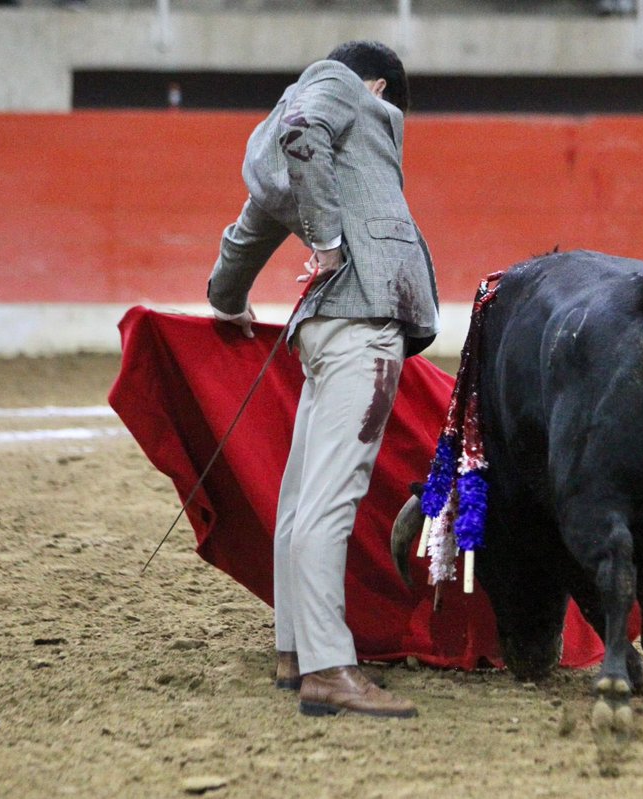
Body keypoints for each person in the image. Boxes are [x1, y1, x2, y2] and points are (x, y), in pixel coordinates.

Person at [207, 40, 439, 719]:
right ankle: (328, 668)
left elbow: (247, 235)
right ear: (378, 86)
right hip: (363, 317)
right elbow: (304, 128)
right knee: (330, 498)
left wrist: (225, 298)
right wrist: (331, 241)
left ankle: (293, 650)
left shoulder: (281, 152)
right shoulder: (340, 90)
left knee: (302, 495)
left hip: (325, 325)